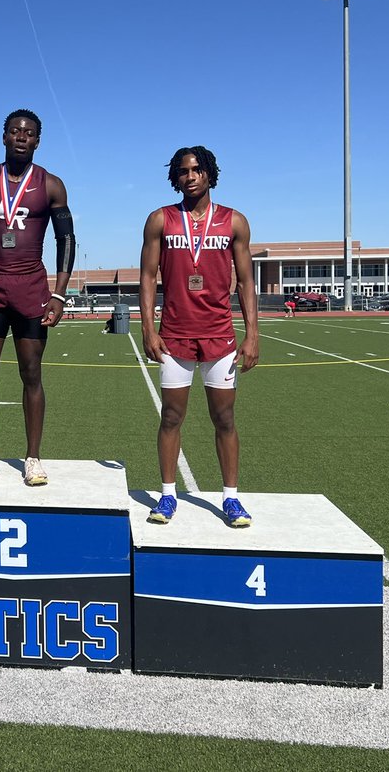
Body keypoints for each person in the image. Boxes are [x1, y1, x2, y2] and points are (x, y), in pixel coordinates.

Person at [139, 146, 258, 527]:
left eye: (197, 170)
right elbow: (147, 277)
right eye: (183, 171)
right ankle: (168, 494)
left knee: (224, 418)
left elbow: (245, 281)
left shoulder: (234, 222)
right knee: (171, 416)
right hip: (174, 336)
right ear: (174, 178)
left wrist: (252, 334)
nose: (190, 176)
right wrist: (147, 328)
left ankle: (231, 498)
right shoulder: (160, 220)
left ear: (210, 174)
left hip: (220, 336)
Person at [0, 109, 75, 486]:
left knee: (31, 373)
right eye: (15, 131)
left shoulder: (52, 184)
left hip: (31, 287)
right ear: (4, 136)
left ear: (38, 140)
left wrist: (59, 293)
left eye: (29, 133)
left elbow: (66, 239)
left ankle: (33, 457)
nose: (21, 137)